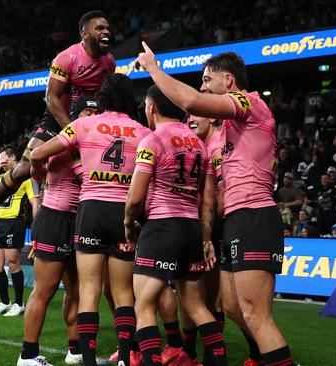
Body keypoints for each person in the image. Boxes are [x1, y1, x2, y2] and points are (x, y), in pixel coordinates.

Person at [135, 44, 293, 365]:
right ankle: (263, 356)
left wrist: (154, 68)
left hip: (254, 214)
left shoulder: (252, 104)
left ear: (229, 81)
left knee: (255, 313)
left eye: (208, 80)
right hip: (233, 221)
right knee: (233, 308)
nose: (203, 86)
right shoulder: (222, 133)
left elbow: (191, 100)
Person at [31, 74, 150, 366]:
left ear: (104, 97)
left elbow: (37, 152)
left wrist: (39, 172)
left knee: (88, 290)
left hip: (91, 210)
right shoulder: (143, 132)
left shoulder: (83, 124)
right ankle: (125, 358)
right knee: (123, 292)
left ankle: (88, 361)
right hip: (124, 213)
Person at [0, 10, 115, 239]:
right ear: (84, 33)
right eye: (100, 28)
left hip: (91, 120)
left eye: (107, 28)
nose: (106, 32)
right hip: (59, 117)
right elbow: (52, 98)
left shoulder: (109, 62)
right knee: (24, 168)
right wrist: (72, 131)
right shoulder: (67, 57)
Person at [123, 85, 226, 366]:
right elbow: (208, 202)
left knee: (143, 305)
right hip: (191, 229)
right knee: (196, 306)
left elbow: (135, 198)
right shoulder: (200, 145)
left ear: (151, 107)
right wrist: (205, 238)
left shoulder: (153, 141)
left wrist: (128, 225)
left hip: (161, 228)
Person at [17, 97, 98, 366]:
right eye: (88, 112)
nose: (93, 116)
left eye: (97, 112)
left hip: (79, 221)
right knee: (45, 291)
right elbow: (34, 158)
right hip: (54, 219)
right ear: (73, 116)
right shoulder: (61, 141)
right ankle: (27, 355)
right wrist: (37, 170)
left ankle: (74, 350)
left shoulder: (90, 143)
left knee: (76, 291)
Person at [0, 146, 40, 317]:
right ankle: (4, 302)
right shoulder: (1, 178)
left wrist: (37, 227)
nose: (2, 163)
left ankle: (19, 303)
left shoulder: (26, 179)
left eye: (4, 160)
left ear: (13, 157)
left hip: (14, 223)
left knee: (13, 262)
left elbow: (35, 203)